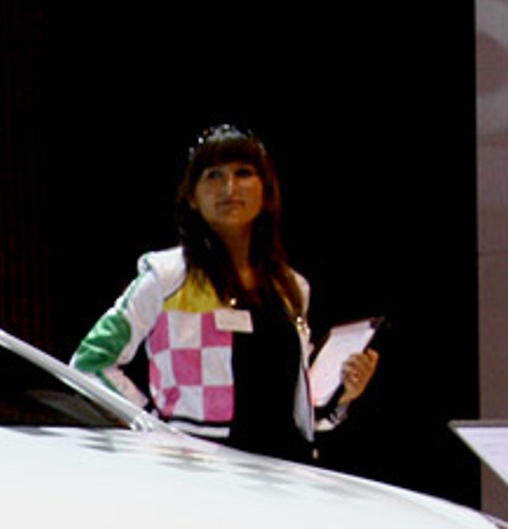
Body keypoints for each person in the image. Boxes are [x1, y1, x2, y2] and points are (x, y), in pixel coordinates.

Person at [71, 124, 377, 461]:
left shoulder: (292, 288)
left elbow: (298, 410)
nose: (229, 187)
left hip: (287, 469)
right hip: (202, 472)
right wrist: (154, 427)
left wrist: (344, 395)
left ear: (266, 191)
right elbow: (89, 363)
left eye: (243, 173)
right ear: (191, 196)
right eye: (213, 175)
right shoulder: (166, 277)